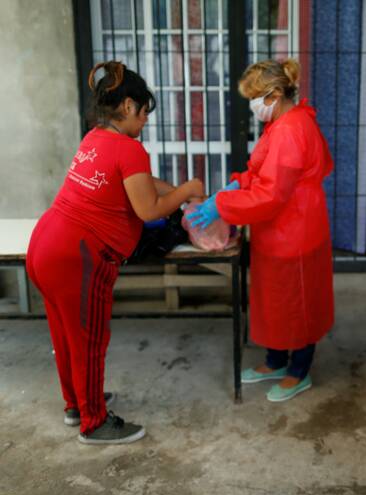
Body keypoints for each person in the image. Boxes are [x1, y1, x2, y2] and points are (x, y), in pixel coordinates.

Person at [26, 61, 205, 445]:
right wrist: (187, 188)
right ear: (127, 106)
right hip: (78, 256)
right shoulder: (129, 148)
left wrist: (179, 189)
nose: (144, 123)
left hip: (45, 245)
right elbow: (148, 210)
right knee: (89, 340)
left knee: (66, 334)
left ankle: (76, 404)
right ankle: (95, 423)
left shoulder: (94, 139)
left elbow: (140, 183)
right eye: (143, 114)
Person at [188, 59, 334, 402]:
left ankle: (299, 370)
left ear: (276, 94)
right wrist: (235, 185)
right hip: (281, 227)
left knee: (297, 303)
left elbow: (271, 195)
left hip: (295, 228)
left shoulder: (291, 130)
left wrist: (222, 204)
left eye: (256, 97)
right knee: (276, 300)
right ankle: (276, 360)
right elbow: (262, 174)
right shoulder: (284, 123)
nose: (253, 106)